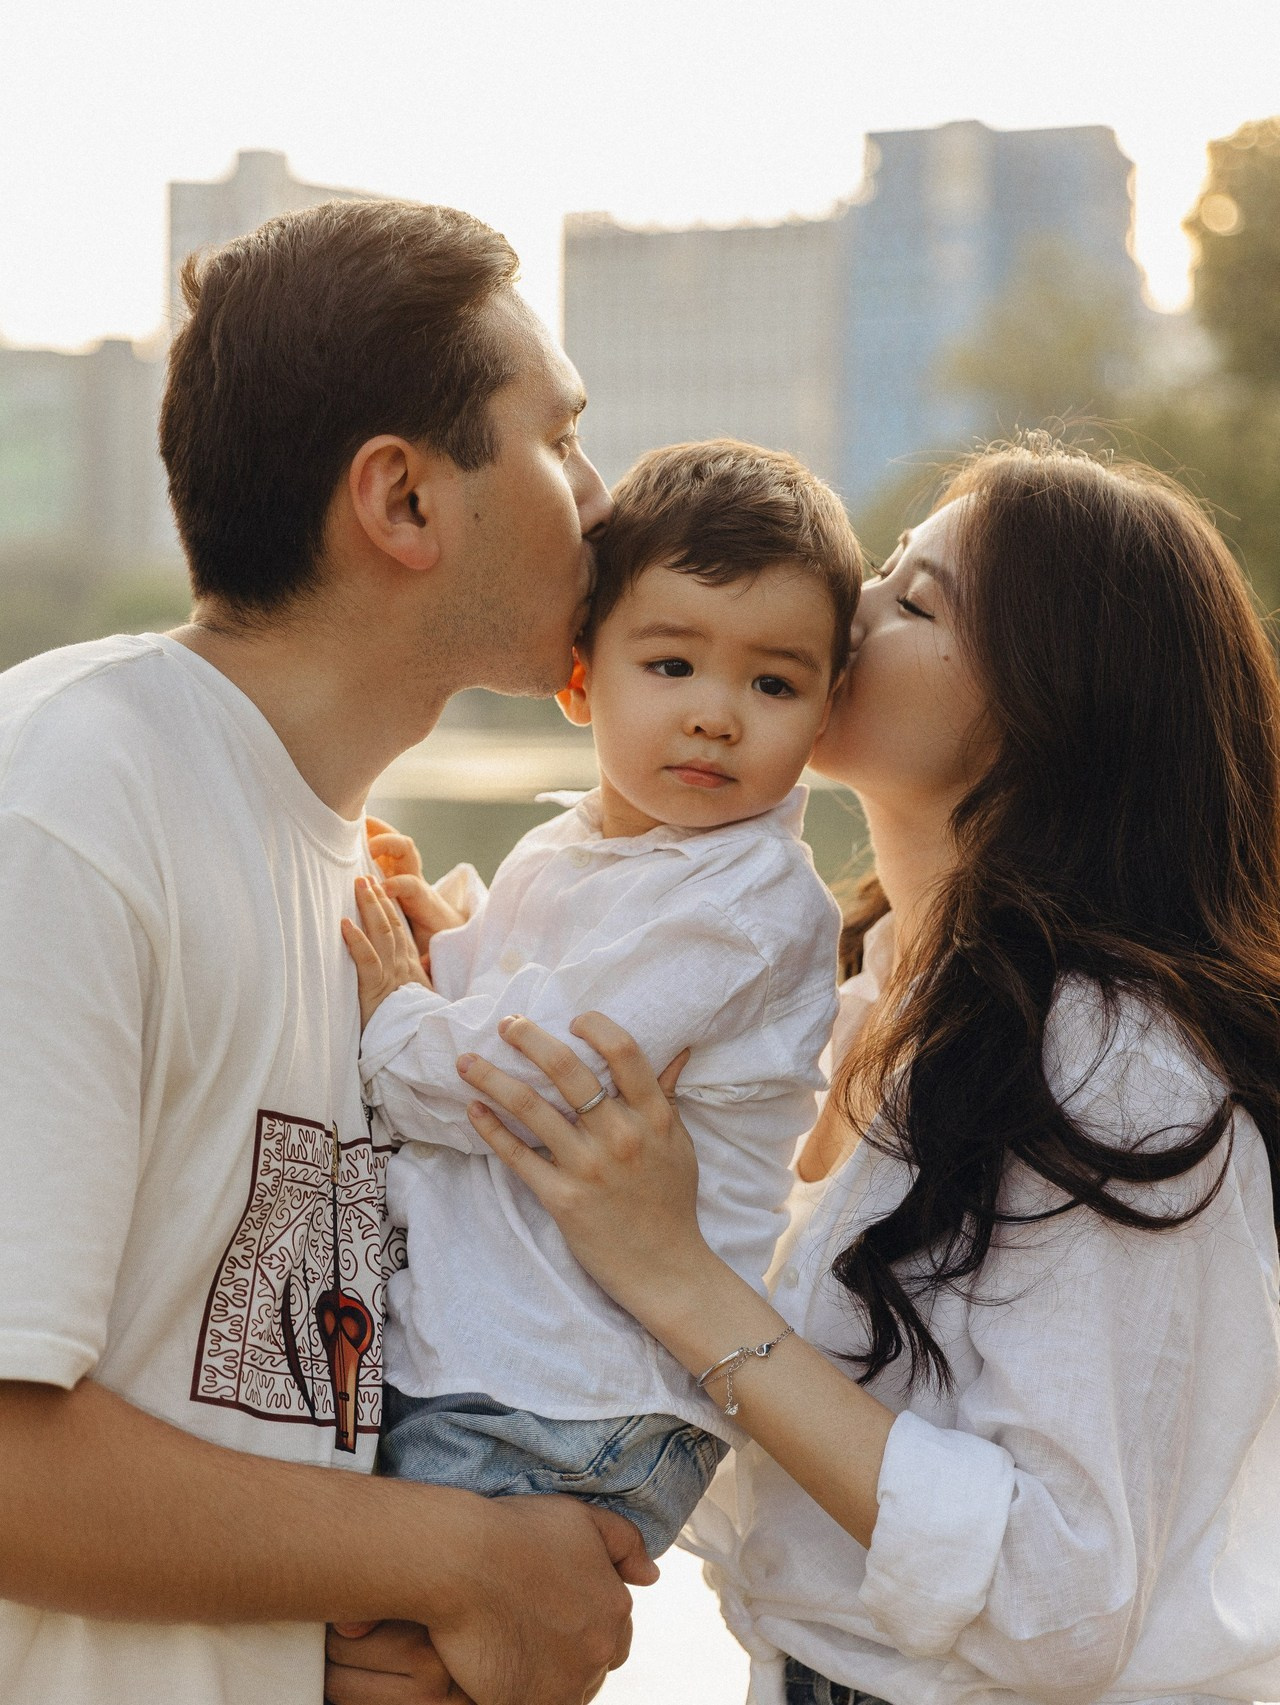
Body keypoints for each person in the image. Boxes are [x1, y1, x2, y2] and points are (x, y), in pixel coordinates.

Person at [456, 439, 1280, 1705]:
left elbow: (1059, 1598)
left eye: (915, 598)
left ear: (1047, 697)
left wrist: (675, 1274)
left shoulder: (1107, 1060)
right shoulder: (861, 998)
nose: (849, 610)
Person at [0, 198, 657, 1705]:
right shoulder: (72, 807)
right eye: (559, 437)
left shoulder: (353, 893)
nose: (602, 495)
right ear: (404, 502)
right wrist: (455, 1562)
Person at [341, 440, 860, 1558]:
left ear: (822, 714)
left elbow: (518, 1085)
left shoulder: (742, 902)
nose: (717, 714)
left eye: (772, 683)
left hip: (566, 1395)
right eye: (670, 665)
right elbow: (536, 989)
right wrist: (444, 944)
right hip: (510, 1360)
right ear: (581, 676)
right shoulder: (582, 842)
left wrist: (394, 1005)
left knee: (396, 1635)